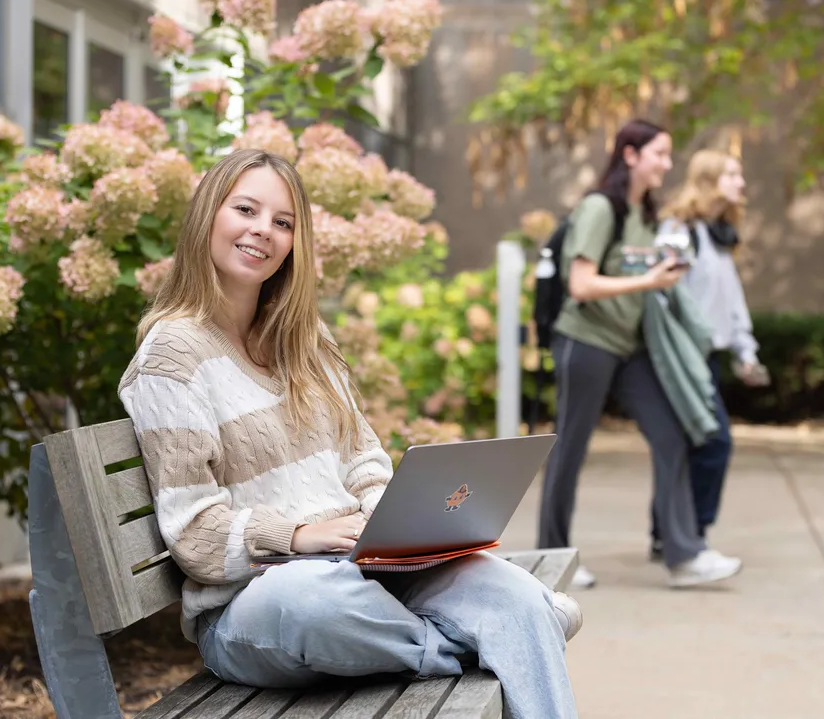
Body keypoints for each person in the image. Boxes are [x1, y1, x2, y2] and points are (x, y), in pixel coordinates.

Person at [117, 148, 582, 718]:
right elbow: (194, 533)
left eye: (283, 222)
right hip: (256, 607)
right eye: (245, 209)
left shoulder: (305, 340)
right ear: (207, 217)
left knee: (507, 597)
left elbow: (362, 454)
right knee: (312, 599)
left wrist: (391, 519)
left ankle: (510, 620)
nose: (263, 230)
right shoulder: (171, 357)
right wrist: (300, 536)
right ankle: (469, 641)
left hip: (365, 573)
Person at [536, 119, 743, 590]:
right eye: (660, 154)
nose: (667, 165)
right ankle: (553, 557)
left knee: (672, 435)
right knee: (570, 448)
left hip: (629, 346)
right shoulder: (599, 208)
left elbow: (635, 270)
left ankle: (685, 554)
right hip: (586, 341)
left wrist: (663, 270)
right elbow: (581, 285)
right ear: (630, 155)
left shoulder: (643, 214)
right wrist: (649, 280)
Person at [648, 149, 768, 560]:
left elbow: (731, 300)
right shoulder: (678, 231)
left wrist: (745, 349)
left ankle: (671, 533)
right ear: (708, 179)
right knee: (712, 443)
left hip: (708, 359)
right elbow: (662, 296)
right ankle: (688, 535)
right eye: (732, 174)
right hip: (683, 359)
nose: (742, 183)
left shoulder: (718, 235)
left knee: (692, 445)